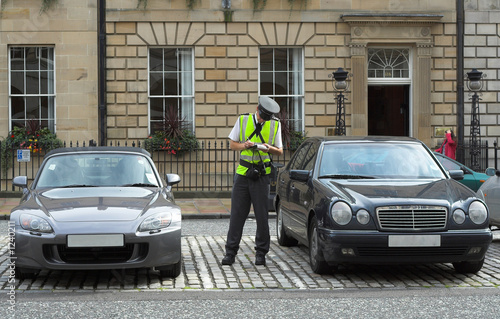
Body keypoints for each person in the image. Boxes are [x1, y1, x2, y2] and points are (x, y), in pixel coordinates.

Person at [222, 96, 283, 267]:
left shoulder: (275, 125)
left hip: (262, 175)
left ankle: (261, 253)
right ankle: (230, 252)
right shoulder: (242, 120)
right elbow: (232, 145)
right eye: (262, 115)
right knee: (237, 215)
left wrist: (267, 147)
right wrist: (245, 146)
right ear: (257, 109)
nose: (264, 119)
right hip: (243, 174)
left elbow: (279, 151)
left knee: (262, 215)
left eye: (267, 117)